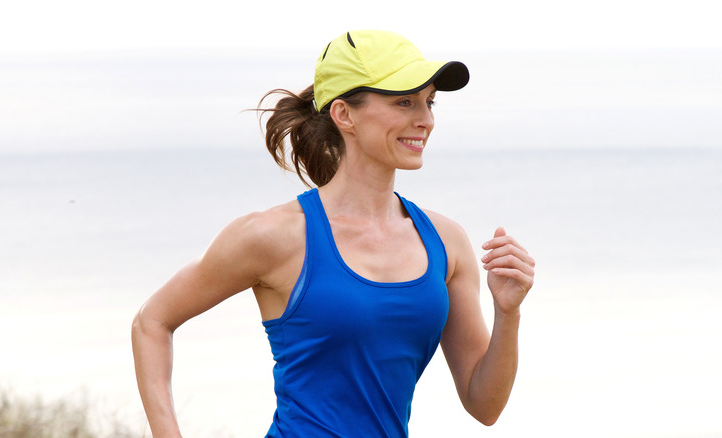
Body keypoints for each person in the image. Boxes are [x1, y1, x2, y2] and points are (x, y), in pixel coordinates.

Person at [131, 29, 536, 437]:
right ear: (344, 115)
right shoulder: (274, 236)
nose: (426, 119)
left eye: (429, 102)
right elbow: (153, 321)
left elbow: (484, 405)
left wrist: (508, 313)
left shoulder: (446, 243)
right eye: (404, 101)